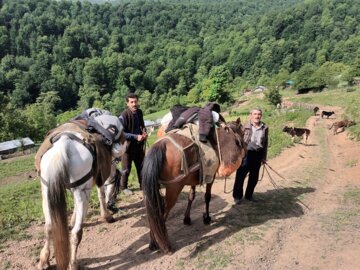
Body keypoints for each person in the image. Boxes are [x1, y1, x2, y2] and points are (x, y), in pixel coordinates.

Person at [233, 108, 268, 204]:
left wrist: (264, 157)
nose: (257, 116)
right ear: (251, 115)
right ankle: (237, 196)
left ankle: (249, 196)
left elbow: (265, 143)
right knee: (240, 176)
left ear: (261, 115)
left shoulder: (265, 127)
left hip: (258, 154)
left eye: (259, 114)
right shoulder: (244, 126)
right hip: (246, 154)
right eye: (255, 114)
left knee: (254, 177)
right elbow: (237, 141)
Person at [118, 93, 147, 195]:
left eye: (135, 101)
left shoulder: (139, 112)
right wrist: (135, 136)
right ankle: (123, 187)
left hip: (139, 145)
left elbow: (142, 125)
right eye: (132, 102)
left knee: (142, 166)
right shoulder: (123, 115)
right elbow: (121, 133)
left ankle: (143, 185)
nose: (134, 104)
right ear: (127, 103)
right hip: (127, 147)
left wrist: (144, 132)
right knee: (126, 168)